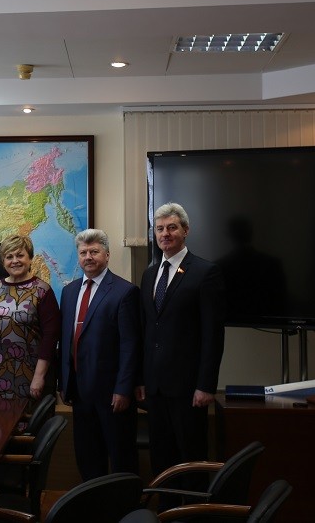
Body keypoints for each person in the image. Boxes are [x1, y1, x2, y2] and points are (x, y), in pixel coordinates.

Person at [136, 202, 226, 484]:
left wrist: (206, 385)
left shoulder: (205, 272)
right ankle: (166, 506)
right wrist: (141, 379)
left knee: (191, 459)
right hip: (155, 388)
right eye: (159, 229)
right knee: (161, 458)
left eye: (172, 227)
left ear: (185, 231)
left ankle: (192, 507)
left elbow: (213, 334)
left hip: (188, 389)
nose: (165, 233)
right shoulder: (149, 274)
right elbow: (146, 330)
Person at [59, 228, 140, 480]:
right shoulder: (69, 292)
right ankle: (93, 500)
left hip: (111, 394)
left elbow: (130, 345)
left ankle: (125, 502)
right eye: (83, 252)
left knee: (121, 458)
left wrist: (123, 389)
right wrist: (64, 383)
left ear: (107, 254)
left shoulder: (124, 292)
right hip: (79, 392)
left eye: (94, 251)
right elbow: (66, 339)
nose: (88, 257)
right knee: (87, 456)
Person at [0, 234, 60, 409]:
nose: (15, 261)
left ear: (30, 258)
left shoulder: (42, 290)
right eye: (9, 257)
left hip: (33, 375)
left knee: (33, 422)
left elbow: (50, 337)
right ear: (3, 261)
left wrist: (39, 377)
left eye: (20, 255)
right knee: (2, 423)